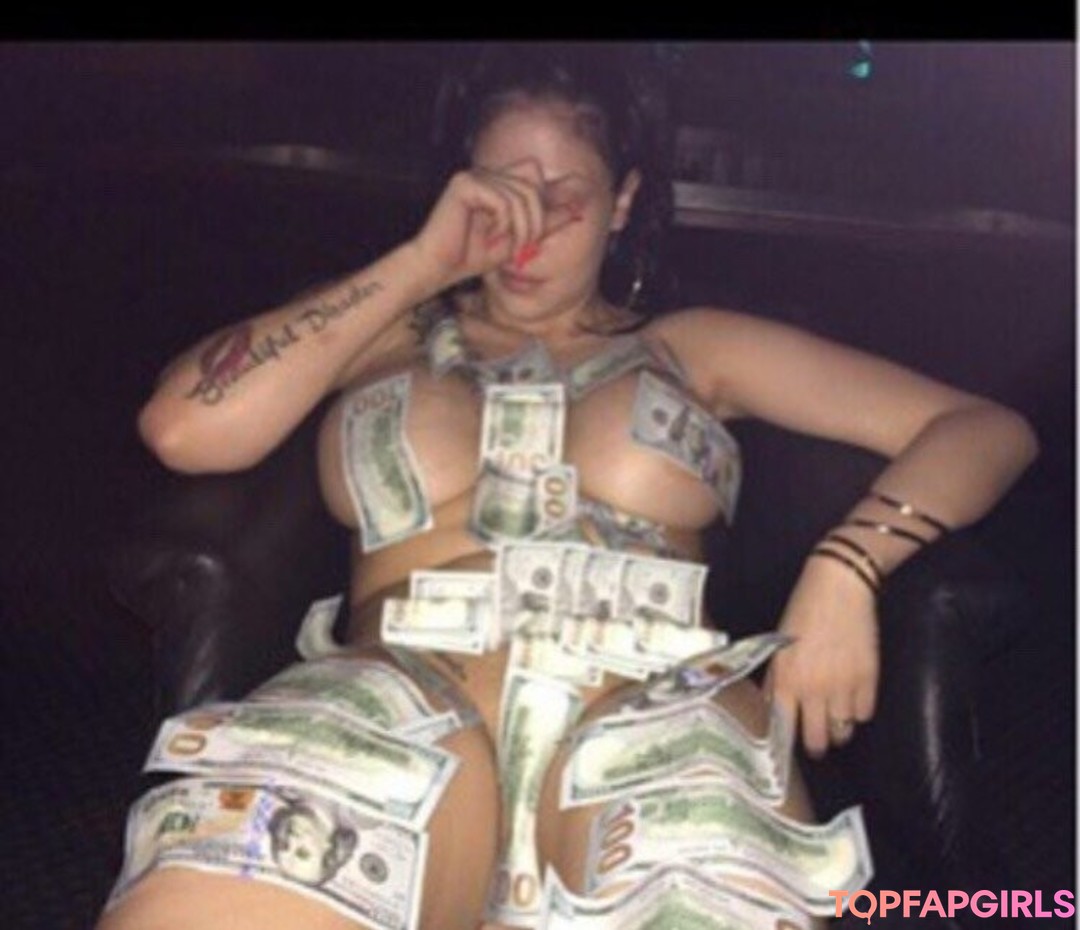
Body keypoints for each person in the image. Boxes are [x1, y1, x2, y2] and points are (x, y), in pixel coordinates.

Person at [96, 44, 1038, 930]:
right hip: (395, 707)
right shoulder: (384, 332)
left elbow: (983, 428)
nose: (527, 226)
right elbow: (182, 425)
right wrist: (421, 263)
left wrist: (848, 567)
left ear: (623, 201)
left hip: (658, 716)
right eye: (501, 187)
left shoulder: (692, 348)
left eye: (564, 196)